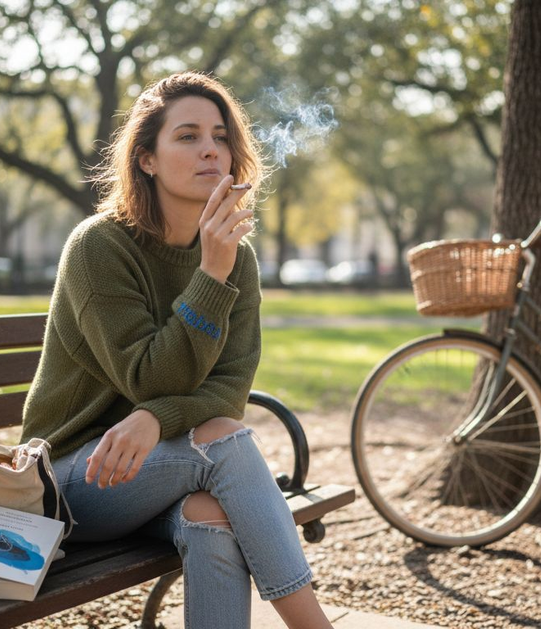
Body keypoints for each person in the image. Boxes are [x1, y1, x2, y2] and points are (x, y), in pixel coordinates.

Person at [20, 72, 334, 629]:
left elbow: (229, 390)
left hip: (162, 469)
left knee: (211, 516)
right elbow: (148, 376)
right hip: (72, 479)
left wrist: (154, 420)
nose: (210, 148)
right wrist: (212, 273)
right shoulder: (99, 246)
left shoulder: (240, 257)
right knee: (226, 443)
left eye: (220, 135)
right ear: (147, 160)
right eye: (187, 136)